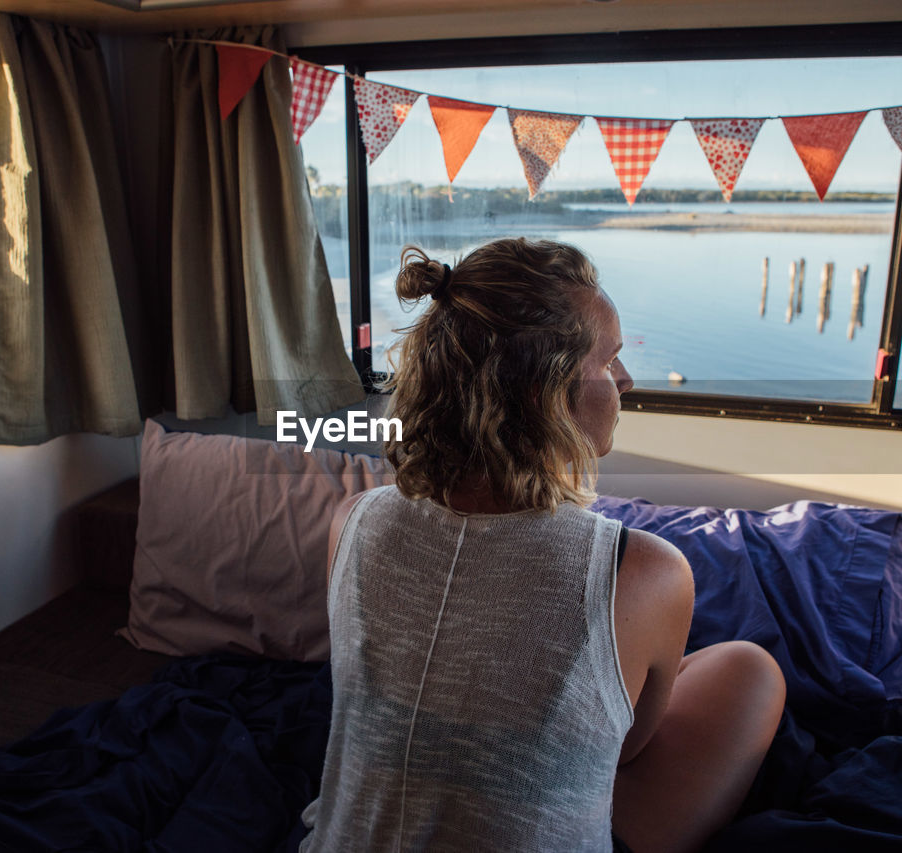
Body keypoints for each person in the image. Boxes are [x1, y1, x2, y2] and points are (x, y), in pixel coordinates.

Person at [299, 238, 786, 853]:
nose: (627, 381)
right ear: (544, 393)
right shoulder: (641, 569)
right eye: (609, 362)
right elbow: (630, 749)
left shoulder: (354, 520)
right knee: (749, 671)